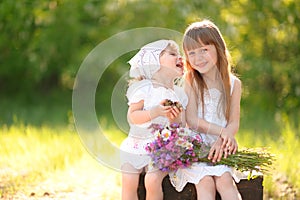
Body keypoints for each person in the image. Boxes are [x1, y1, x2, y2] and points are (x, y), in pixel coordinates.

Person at [169, 19, 242, 200]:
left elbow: (234, 121)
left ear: (218, 48)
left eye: (204, 50)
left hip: (221, 146)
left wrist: (223, 139)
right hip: (196, 147)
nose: (198, 58)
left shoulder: (234, 84)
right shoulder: (191, 81)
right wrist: (223, 132)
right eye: (192, 53)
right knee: (206, 183)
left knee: (225, 181)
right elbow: (192, 121)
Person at [120, 39, 188, 200]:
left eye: (179, 54)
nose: (179, 57)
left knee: (152, 181)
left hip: (162, 148)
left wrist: (174, 119)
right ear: (154, 62)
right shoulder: (145, 89)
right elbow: (133, 116)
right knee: (128, 181)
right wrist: (156, 111)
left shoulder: (179, 94)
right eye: (173, 54)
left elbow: (180, 125)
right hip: (136, 144)